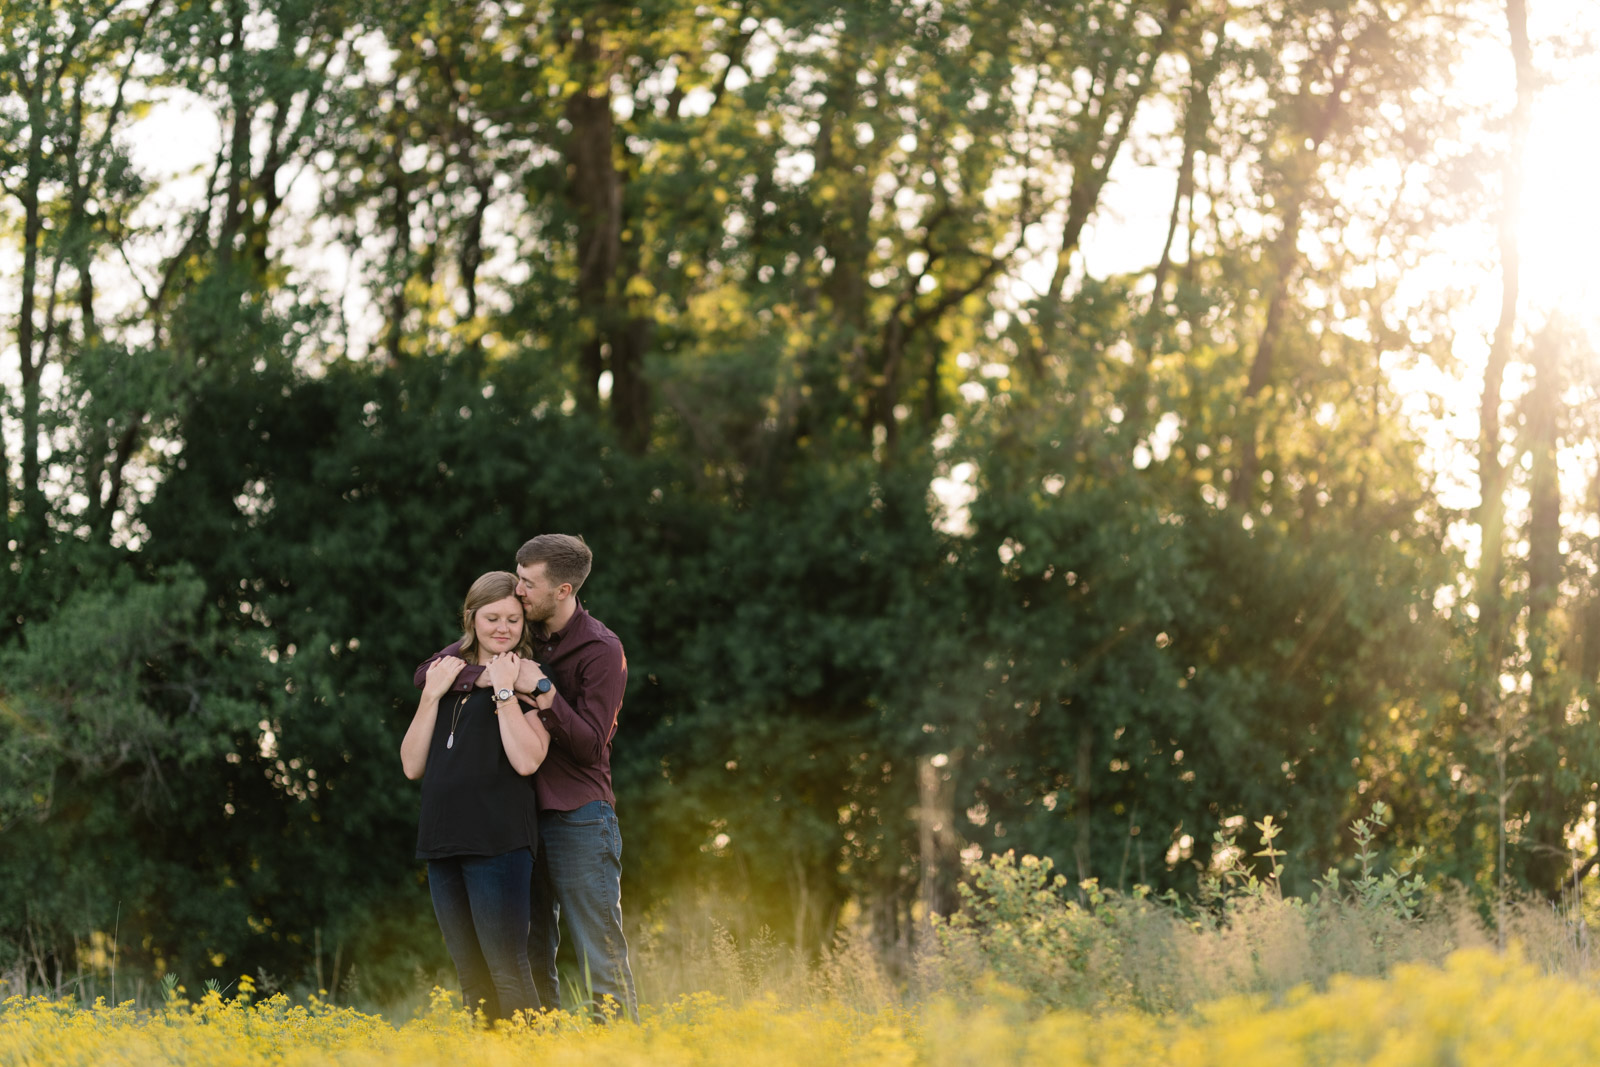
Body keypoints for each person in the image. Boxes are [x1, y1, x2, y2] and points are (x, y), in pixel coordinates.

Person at [413, 534, 638, 1021]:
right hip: (517, 821)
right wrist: (494, 676)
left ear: (561, 590)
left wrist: (540, 687)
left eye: (528, 583)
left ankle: (621, 1049)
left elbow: (589, 745)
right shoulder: (520, 633)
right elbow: (432, 670)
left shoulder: (600, 649)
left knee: (598, 950)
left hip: (577, 812)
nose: (518, 590)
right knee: (532, 956)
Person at [400, 571, 550, 1022]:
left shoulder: (529, 679)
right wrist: (431, 696)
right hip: (442, 842)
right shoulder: (446, 678)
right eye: (491, 618)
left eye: (513, 618)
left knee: (507, 971)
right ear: (471, 619)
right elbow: (411, 765)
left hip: (498, 843)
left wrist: (504, 688)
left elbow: (528, 760)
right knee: (471, 980)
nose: (503, 628)